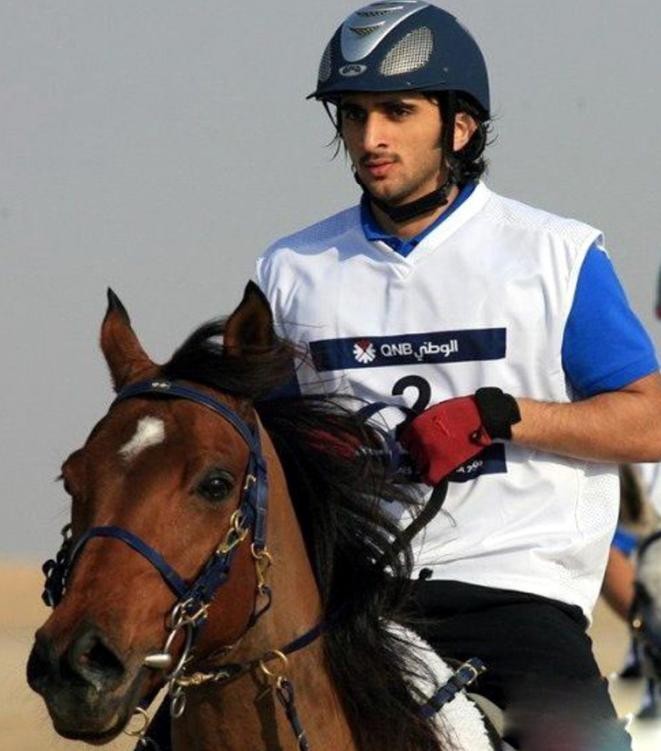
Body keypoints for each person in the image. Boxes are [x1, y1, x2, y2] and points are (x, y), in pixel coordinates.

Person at [255, 3, 661, 749]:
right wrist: (310, 450)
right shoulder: (288, 271)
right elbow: (259, 446)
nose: (369, 138)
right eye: (354, 114)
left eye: (397, 112)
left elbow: (651, 419)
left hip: (513, 600)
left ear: (461, 126)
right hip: (349, 601)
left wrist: (499, 417)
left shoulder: (555, 254)